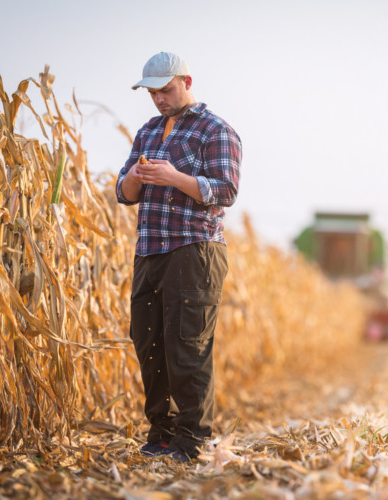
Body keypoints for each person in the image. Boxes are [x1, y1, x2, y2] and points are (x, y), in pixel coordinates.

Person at [115, 51, 241, 461]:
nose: (159, 99)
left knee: (187, 345)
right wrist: (135, 176)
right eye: (152, 93)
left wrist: (173, 177)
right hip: (150, 250)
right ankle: (162, 436)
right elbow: (124, 194)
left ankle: (192, 440)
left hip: (195, 249)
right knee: (148, 341)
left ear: (187, 82)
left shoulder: (216, 130)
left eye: (166, 90)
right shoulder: (148, 132)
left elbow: (225, 191)